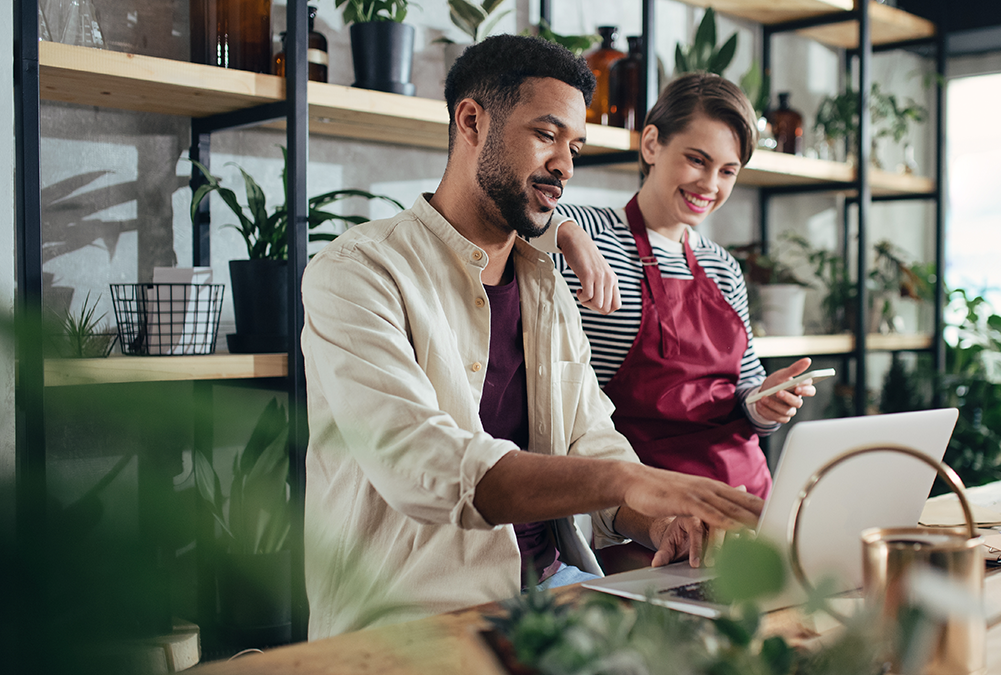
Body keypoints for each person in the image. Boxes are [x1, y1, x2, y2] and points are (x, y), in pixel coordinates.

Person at [300, 35, 763, 640]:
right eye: (546, 136)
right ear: (471, 121)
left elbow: (590, 439)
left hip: (553, 593)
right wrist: (632, 480)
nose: (565, 167)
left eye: (574, 146)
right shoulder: (358, 272)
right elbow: (422, 465)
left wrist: (657, 521)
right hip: (415, 623)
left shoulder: (545, 284)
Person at [540, 72, 818, 509]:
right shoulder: (586, 231)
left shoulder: (722, 266)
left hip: (745, 495)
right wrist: (567, 233)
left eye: (728, 171)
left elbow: (743, 391)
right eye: (697, 160)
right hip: (644, 507)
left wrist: (765, 404)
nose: (710, 185)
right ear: (651, 144)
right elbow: (509, 218)